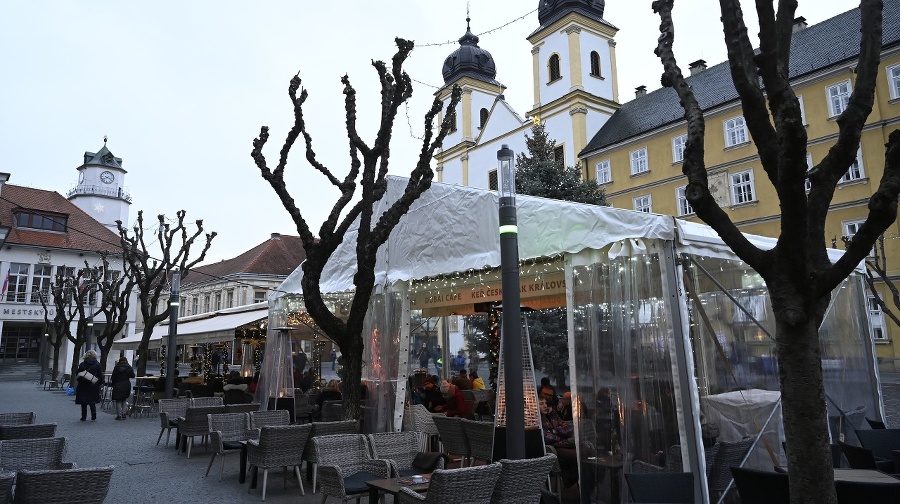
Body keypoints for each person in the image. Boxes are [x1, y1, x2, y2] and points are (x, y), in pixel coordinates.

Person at [75, 350, 103, 421]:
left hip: (83, 385)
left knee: (83, 402)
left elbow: (78, 374)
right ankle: (93, 416)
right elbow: (100, 375)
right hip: (93, 385)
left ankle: (83, 416)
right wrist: (99, 383)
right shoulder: (97, 364)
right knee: (92, 401)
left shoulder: (82, 364)